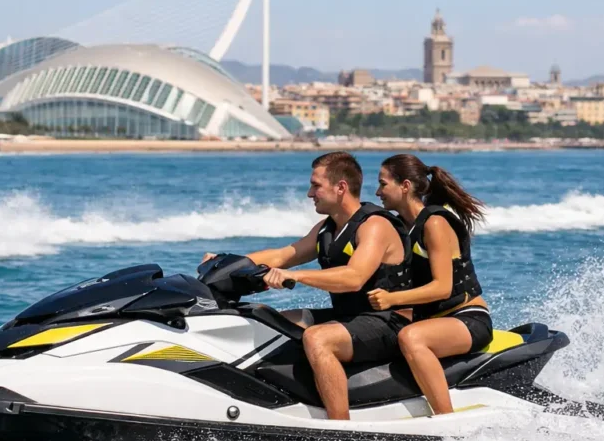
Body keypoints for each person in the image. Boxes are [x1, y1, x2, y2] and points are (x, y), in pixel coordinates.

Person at [202, 152, 408, 420]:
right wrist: (226, 262)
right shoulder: (327, 229)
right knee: (270, 322)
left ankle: (340, 427)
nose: (310, 193)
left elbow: (353, 277)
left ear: (341, 187)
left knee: (317, 338)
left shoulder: (374, 225)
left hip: (389, 322)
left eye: (316, 185)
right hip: (351, 317)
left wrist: (298, 276)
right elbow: (283, 255)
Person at [366, 154, 491, 415]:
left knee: (411, 338)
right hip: (432, 318)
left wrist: (391, 299)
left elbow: (442, 288)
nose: (378, 192)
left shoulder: (435, 222)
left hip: (466, 319)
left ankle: (446, 418)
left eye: (382, 184)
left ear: (405, 186)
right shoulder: (403, 227)